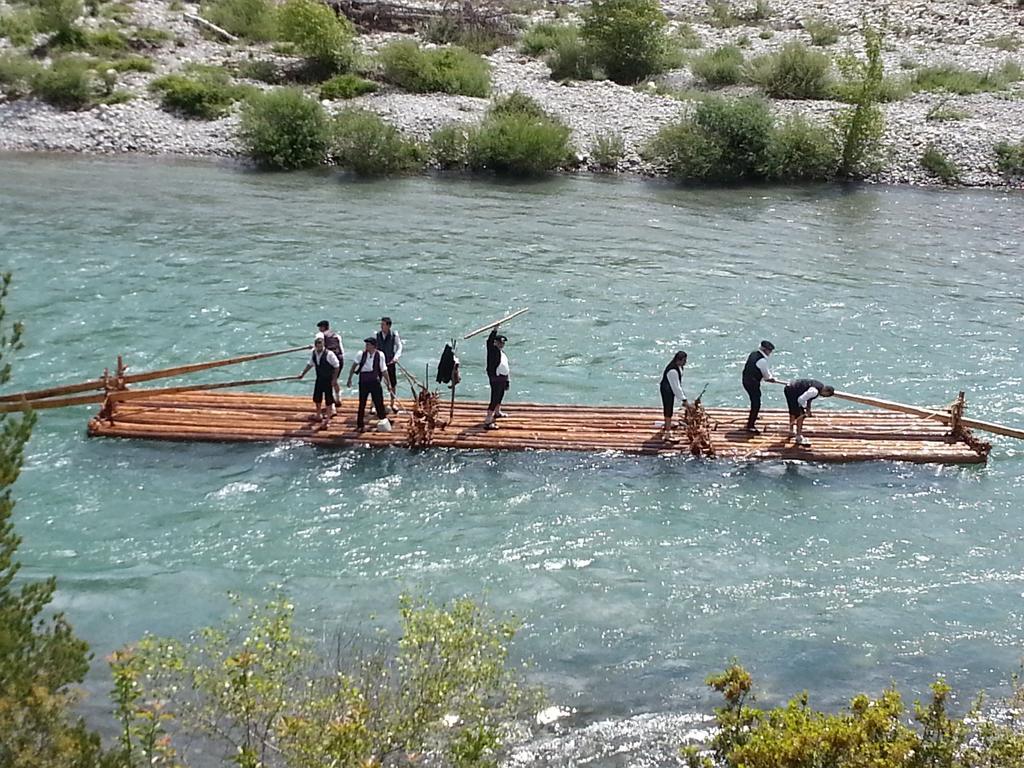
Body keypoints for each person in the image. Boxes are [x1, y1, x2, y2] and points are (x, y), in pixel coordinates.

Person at [347, 337, 389, 432]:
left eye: (368, 345)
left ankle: (383, 421)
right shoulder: (361, 354)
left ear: (374, 346)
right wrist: (349, 379)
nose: (366, 346)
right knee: (362, 403)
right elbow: (354, 366)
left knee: (379, 402)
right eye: (366, 345)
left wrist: (388, 383)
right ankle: (360, 424)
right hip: (364, 381)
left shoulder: (380, 355)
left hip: (374, 381)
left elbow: (384, 370)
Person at [298, 334, 340, 426]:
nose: (319, 346)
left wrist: (334, 379)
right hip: (319, 378)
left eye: (321, 344)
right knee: (317, 398)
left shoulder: (329, 354)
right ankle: (318, 415)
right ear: (315, 345)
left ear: (323, 344)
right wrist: (302, 374)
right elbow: (310, 364)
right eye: (317, 345)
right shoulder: (314, 353)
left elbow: (337, 366)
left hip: (328, 379)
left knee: (329, 399)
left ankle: (328, 419)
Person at [783, 378, 835, 447]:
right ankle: (798, 436)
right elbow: (801, 399)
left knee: (793, 411)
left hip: (789, 387)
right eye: (826, 395)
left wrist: (808, 408)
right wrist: (803, 410)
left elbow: (809, 398)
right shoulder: (815, 391)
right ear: (826, 391)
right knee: (800, 415)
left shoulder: (819, 386)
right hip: (793, 391)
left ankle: (791, 431)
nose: (824, 396)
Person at [742, 340, 778, 434]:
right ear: (766, 350)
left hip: (745, 380)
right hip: (752, 383)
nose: (770, 353)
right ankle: (750, 426)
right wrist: (771, 379)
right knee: (756, 402)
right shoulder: (762, 361)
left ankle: (754, 414)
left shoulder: (753, 354)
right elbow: (766, 376)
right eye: (769, 351)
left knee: (755, 399)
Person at [375, 316, 403, 413]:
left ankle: (392, 402)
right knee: (376, 382)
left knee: (392, 382)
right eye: (381, 324)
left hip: (390, 362)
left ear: (388, 326)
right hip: (379, 362)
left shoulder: (394, 335)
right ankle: (374, 404)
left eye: (383, 324)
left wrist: (396, 357)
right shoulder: (377, 335)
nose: (381, 326)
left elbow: (399, 346)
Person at [484, 327, 510, 429]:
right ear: (495, 342)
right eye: (500, 342)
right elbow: (489, 341)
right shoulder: (492, 350)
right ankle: (488, 420)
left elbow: (506, 366)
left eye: (503, 343)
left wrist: (507, 380)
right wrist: (495, 330)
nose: (501, 344)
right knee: (494, 398)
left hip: (503, 377)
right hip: (496, 377)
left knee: (500, 395)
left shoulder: (501, 353)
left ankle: (497, 412)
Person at [316, 320, 344, 413]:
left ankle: (332, 408)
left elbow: (319, 346)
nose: (319, 329)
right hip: (339, 359)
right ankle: (338, 398)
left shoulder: (320, 335)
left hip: (329, 360)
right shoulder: (337, 335)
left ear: (323, 327)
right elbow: (341, 350)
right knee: (334, 380)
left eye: (320, 327)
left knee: (328, 384)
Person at [659, 351, 688, 440]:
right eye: (684, 360)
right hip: (666, 390)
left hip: (671, 388)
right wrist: (684, 399)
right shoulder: (672, 371)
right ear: (678, 360)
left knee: (669, 408)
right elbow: (676, 387)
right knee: (668, 408)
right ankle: (667, 433)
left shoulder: (679, 367)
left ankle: (668, 424)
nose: (685, 362)